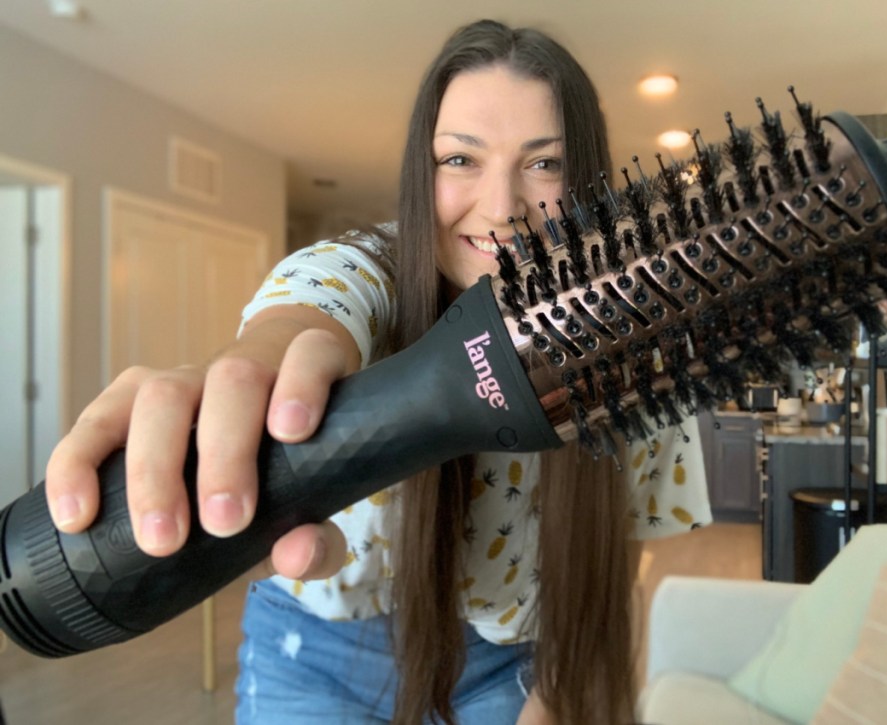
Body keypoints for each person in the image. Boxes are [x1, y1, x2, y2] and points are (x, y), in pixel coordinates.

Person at [45, 19, 711, 724]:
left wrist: (555, 690)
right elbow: (319, 299)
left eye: (543, 163)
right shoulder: (373, 270)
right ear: (421, 171)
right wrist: (269, 353)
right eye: (460, 159)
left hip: (510, 662)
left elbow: (634, 532)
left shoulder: (637, 335)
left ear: (589, 182)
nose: (501, 206)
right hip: (313, 651)